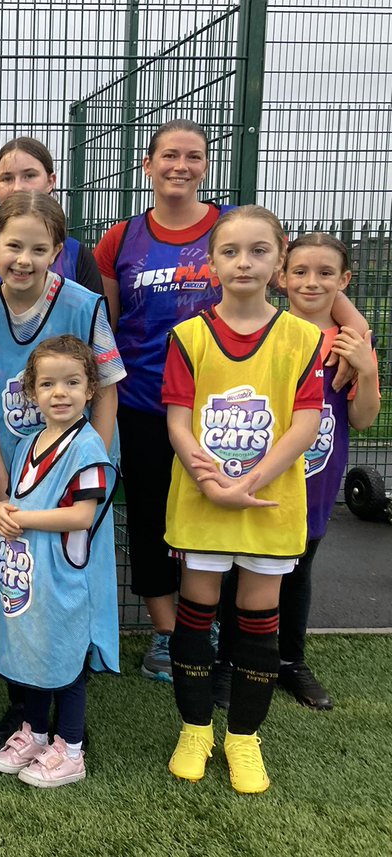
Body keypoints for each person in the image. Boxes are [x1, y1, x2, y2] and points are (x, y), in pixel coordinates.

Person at [94, 119, 364, 684]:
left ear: (205, 166)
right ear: (148, 164)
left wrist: (360, 345)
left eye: (193, 156)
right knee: (151, 522)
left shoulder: (233, 228)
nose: (180, 166)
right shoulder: (120, 238)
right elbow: (111, 322)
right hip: (148, 404)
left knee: (230, 513)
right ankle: (170, 637)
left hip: (233, 411)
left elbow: (328, 304)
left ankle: (222, 634)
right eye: (169, 155)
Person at [162, 206, 324, 795]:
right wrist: (211, 483)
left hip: (268, 504)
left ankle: (244, 738)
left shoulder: (304, 338)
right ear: (212, 263)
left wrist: (249, 484)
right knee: (195, 614)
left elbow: (304, 425)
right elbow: (179, 423)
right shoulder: (189, 336)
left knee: (259, 620)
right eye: (230, 252)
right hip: (203, 501)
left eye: (259, 251)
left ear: (279, 260)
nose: (244, 262)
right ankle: (195, 728)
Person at [0, 191, 124, 750]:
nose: (24, 259)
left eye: (39, 248)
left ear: (58, 251)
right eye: (13, 246)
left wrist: (92, 461)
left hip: (74, 474)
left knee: (67, 588)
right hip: (16, 474)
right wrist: (1, 485)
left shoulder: (83, 304)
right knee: (21, 588)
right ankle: (26, 713)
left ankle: (69, 713)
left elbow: (106, 390)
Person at [214, 234, 380, 712]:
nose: (313, 282)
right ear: (282, 277)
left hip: (316, 480)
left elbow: (364, 418)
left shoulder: (351, 342)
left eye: (326, 273)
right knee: (237, 569)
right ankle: (226, 662)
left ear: (344, 281)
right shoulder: (268, 330)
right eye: (301, 272)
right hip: (258, 475)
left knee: (299, 569)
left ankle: (291, 662)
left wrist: (365, 369)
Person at [0, 335, 119, 789]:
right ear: (31, 392)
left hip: (65, 579)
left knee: (65, 664)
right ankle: (36, 734)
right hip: (25, 578)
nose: (59, 393)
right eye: (48, 384)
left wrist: (21, 516)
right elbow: (15, 498)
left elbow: (82, 514)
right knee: (33, 658)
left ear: (90, 390)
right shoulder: (27, 443)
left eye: (72, 382)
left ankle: (72, 750)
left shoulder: (88, 448)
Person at [0, 136, 102, 298]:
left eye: (29, 176)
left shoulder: (78, 257)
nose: (18, 187)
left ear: (50, 181)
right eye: (7, 179)